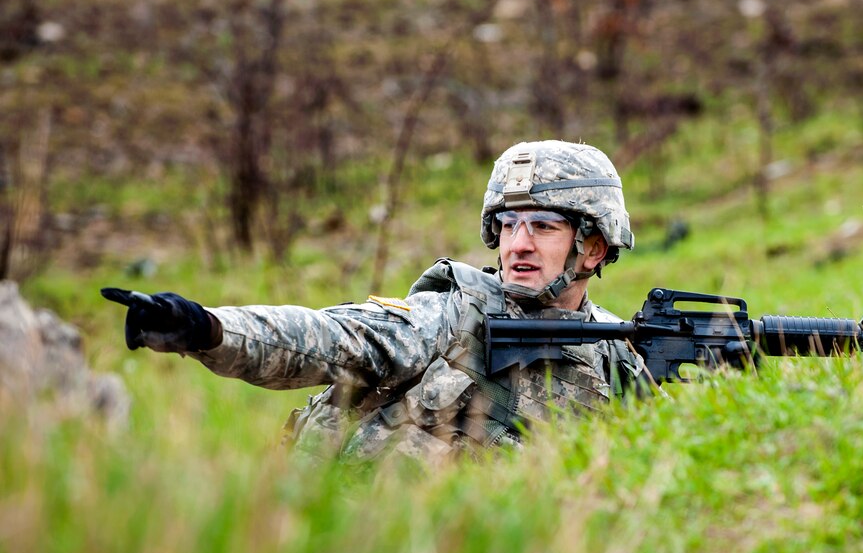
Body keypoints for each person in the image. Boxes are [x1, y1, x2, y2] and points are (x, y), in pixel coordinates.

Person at [104, 140, 651, 463]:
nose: (518, 243)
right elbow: (334, 339)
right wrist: (208, 329)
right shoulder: (452, 314)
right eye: (507, 225)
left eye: (543, 226)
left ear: (593, 246)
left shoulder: (615, 352)